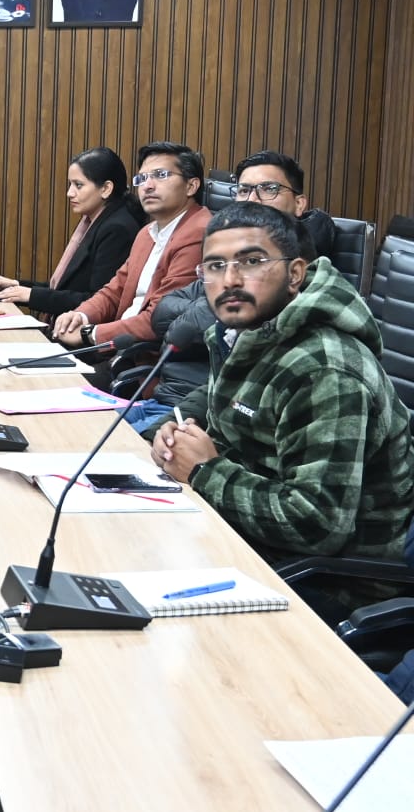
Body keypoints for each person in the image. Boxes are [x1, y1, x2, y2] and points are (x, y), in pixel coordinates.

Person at [151, 203, 414, 610]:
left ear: (294, 274)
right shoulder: (242, 334)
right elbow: (232, 425)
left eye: (251, 262)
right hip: (249, 541)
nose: (230, 280)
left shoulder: (323, 370)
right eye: (216, 266)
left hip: (327, 583)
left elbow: (317, 525)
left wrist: (204, 470)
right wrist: (177, 436)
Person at [127, 150, 337, 432]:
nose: (230, 281)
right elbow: (164, 313)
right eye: (244, 190)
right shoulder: (226, 255)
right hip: (184, 409)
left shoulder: (323, 365)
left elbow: (189, 327)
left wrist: (198, 461)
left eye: (268, 189)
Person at [53, 141, 209, 348]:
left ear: (191, 186)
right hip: (118, 345)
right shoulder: (147, 233)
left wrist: (91, 334)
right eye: (142, 178)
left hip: (146, 357)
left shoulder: (199, 233)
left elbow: (161, 317)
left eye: (160, 175)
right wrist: (81, 315)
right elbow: (115, 290)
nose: (148, 185)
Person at [0, 146, 143, 315]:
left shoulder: (117, 230)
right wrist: (15, 285)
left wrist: (31, 295)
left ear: (106, 188)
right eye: (70, 184)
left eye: (78, 185)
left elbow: (98, 302)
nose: (69, 193)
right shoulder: (91, 222)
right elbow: (63, 288)